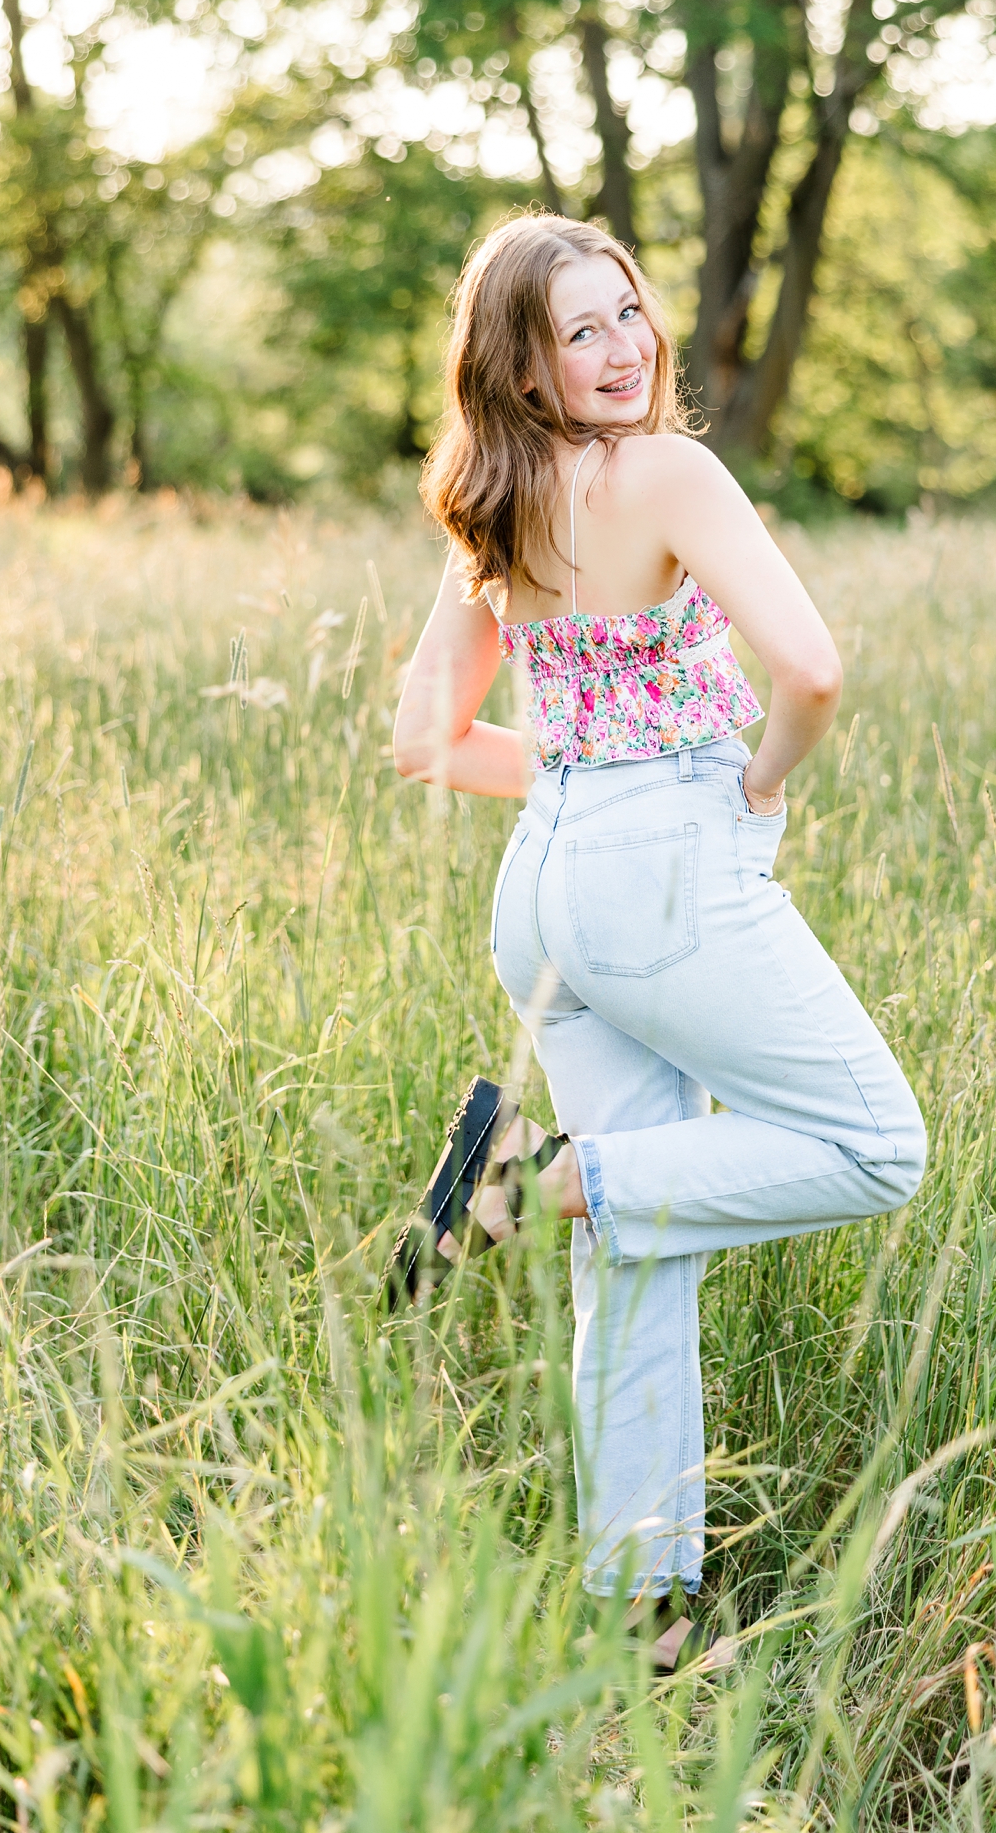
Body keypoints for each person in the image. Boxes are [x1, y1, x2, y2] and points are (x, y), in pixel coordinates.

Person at [388, 212, 927, 1672]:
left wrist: (584, 783)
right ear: (522, 359)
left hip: (548, 877)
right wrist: (749, 781)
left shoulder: (484, 502)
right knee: (878, 1140)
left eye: (630, 311)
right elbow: (810, 668)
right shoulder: (670, 471)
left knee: (637, 1261)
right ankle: (540, 1177)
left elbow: (422, 740)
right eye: (582, 328)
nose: (625, 347)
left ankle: (642, 1618)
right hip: (666, 868)